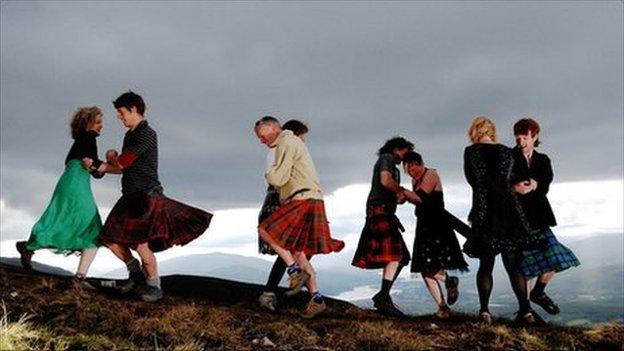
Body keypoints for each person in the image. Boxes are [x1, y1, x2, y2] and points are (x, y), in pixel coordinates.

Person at [92, 91, 212, 302]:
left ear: (133, 109)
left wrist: (108, 159)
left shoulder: (147, 134)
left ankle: (155, 287)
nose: (119, 117)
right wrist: (103, 165)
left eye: (121, 112)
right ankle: (135, 272)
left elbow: (123, 163)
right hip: (129, 196)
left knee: (141, 245)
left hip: (146, 197)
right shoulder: (130, 134)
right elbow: (124, 168)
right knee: (108, 238)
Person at [254, 117, 344, 318]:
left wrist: (269, 176)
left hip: (302, 198)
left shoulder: (287, 141)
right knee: (298, 251)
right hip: (308, 198)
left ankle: (294, 273)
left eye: (261, 135)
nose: (261, 140)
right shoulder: (289, 143)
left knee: (266, 230)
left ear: (273, 128)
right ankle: (317, 299)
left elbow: (278, 178)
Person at [462, 116, 544, 325]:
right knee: (513, 264)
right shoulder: (507, 152)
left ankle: (484, 312)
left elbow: (473, 181)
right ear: (492, 131)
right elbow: (510, 181)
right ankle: (526, 311)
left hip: (485, 211)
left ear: (475, 131)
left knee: (486, 264)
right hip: (509, 211)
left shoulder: (471, 152)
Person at [16, 106, 106, 287]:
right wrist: (114, 164)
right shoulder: (88, 138)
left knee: (63, 218)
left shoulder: (81, 140)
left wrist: (99, 168)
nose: (101, 126)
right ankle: (79, 277)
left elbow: (92, 167)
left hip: (72, 182)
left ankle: (29, 246)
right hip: (76, 184)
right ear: (88, 123)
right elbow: (93, 166)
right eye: (98, 122)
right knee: (92, 227)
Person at [511, 117, 580, 315]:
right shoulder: (509, 156)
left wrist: (535, 184)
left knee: (556, 257)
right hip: (517, 219)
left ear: (535, 137)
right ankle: (526, 311)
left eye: (525, 138)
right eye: (518, 138)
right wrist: (513, 187)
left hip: (539, 218)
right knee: (525, 267)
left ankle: (538, 292)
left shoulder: (543, 160)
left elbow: (546, 182)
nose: (521, 142)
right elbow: (500, 183)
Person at [352, 137, 414, 317]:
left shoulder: (394, 168)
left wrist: (400, 196)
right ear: (396, 148)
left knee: (403, 257)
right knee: (398, 256)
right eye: (404, 152)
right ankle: (383, 297)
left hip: (385, 213)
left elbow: (393, 193)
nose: (405, 157)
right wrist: (401, 191)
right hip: (379, 211)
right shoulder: (386, 158)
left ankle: (383, 295)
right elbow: (386, 181)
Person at [402, 151, 468, 318]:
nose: (410, 171)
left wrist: (402, 192)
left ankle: (449, 283)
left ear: (419, 163)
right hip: (423, 226)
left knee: (431, 266)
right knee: (424, 269)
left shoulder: (431, 174)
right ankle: (442, 306)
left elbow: (420, 197)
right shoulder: (414, 180)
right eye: (407, 168)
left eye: (411, 167)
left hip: (437, 226)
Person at [257, 118, 311, 312]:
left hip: (282, 200)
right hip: (281, 201)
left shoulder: (282, 149)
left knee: (292, 250)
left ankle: (278, 291)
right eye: (302, 138)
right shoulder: (280, 150)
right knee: (293, 249)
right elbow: (281, 181)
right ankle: (272, 293)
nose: (303, 143)